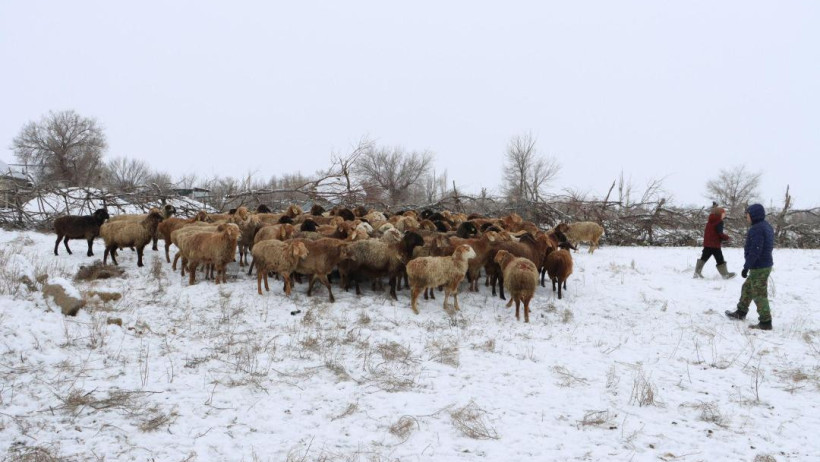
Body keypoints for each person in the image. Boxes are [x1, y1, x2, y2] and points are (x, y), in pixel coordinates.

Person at [725, 203, 774, 330]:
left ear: (754, 215)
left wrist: (747, 266)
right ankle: (741, 312)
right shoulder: (766, 226)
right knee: (747, 288)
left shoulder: (757, 228)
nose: (746, 217)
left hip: (759, 266)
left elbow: (756, 249)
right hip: (763, 264)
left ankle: (765, 322)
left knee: (759, 294)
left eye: (747, 215)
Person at [693, 203, 735, 279]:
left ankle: (697, 273)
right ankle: (725, 275)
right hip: (715, 244)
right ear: (720, 214)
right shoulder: (719, 222)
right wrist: (727, 238)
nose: (724, 215)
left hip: (708, 244)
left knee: (703, 258)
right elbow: (720, 233)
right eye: (723, 213)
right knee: (720, 259)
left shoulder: (710, 221)